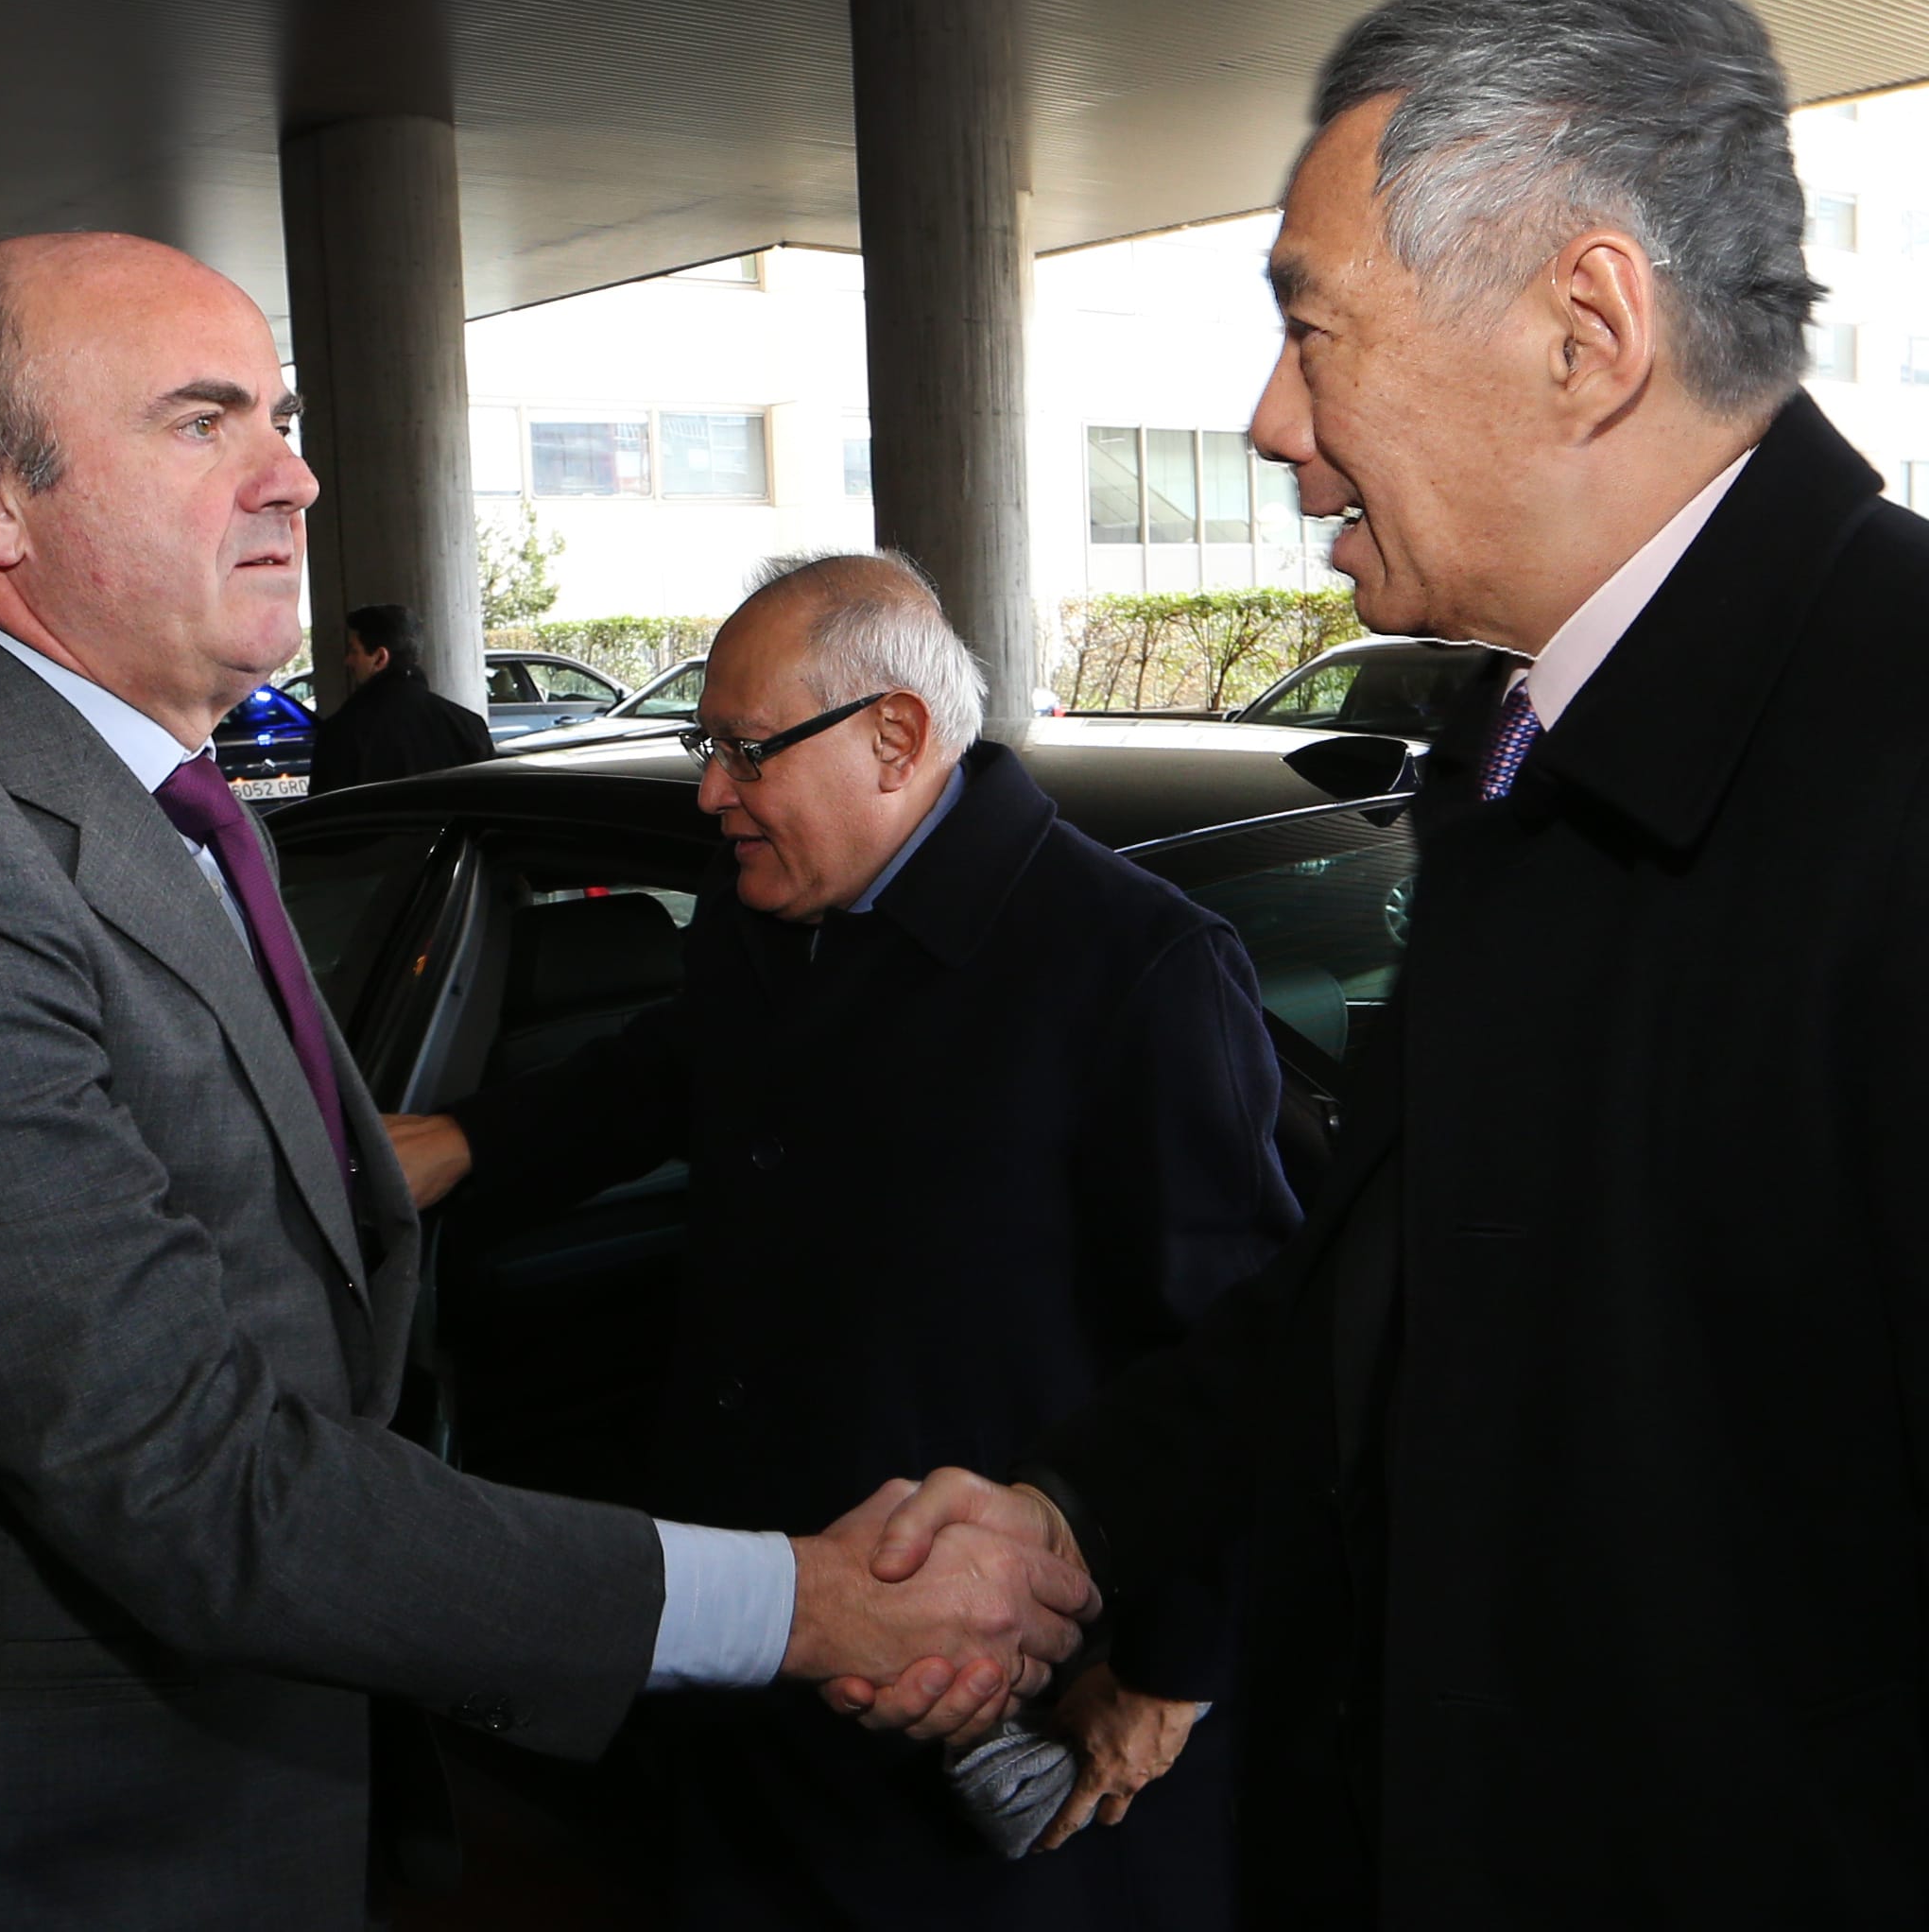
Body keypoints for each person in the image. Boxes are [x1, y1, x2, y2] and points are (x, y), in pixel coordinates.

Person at [842, 0, 1929, 1927]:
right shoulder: (1534, 742)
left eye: (1315, 331)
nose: (1271, 422)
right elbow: (1394, 1294)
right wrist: (1073, 1509)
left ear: (1585, 329)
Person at [0, 233, 1095, 1928]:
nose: (296, 473)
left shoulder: (157, 808)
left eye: (280, 413)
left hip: (230, 1796)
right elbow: (182, 1471)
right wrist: (800, 1603)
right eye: (203, 424)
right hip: (15, 1854)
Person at [385, 550, 1299, 1925]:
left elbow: (1244, 1344)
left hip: (990, 1700)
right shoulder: (769, 913)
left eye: (744, 753)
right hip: (761, 1656)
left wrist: (1171, 1667)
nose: (710, 793)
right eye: (709, 746)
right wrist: (464, 1144)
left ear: (896, 736)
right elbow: (672, 1067)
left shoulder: (1130, 971)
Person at [303, 600, 496, 793]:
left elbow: (325, 815)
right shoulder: (470, 726)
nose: (348, 661)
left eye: (354, 651)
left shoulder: (341, 732)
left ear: (380, 658)